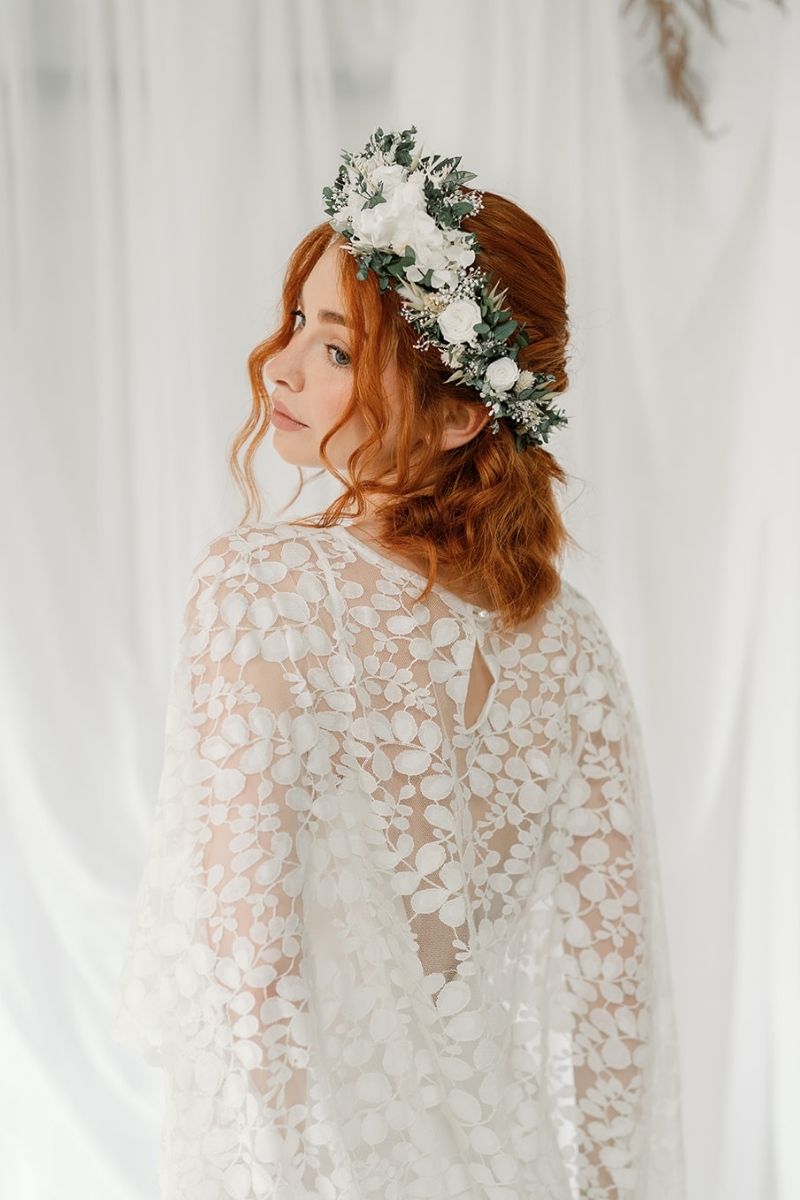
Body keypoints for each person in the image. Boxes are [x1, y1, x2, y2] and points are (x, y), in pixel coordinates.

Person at [112, 125, 688, 1199]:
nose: (277, 365)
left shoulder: (263, 590)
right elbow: (618, 1006)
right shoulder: (576, 650)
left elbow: (246, 978)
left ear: (463, 413)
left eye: (334, 349)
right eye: (297, 321)